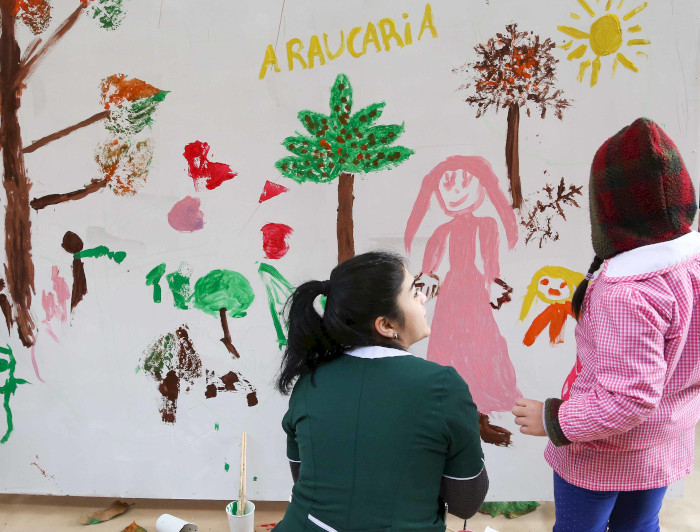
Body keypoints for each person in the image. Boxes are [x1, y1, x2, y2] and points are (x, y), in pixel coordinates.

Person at [512, 118, 700, 531]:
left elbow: (628, 399)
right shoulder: (692, 267)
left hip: (603, 452)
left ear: (607, 212)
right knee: (640, 525)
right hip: (664, 440)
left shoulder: (628, 292)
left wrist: (555, 420)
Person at [274, 251, 488, 531]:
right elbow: (466, 501)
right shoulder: (442, 385)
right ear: (386, 325)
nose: (424, 298)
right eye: (413, 293)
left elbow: (304, 478)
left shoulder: (310, 382)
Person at [404, 156, 520, 446]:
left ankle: (480, 412)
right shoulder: (442, 231)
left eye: (464, 184)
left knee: (479, 345)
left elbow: (491, 263)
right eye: (447, 186)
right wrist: (421, 290)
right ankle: (453, 412)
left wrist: (494, 283)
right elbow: (429, 269)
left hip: (472, 293)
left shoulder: (487, 225)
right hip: (451, 294)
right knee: (448, 346)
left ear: (482, 188)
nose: (454, 192)